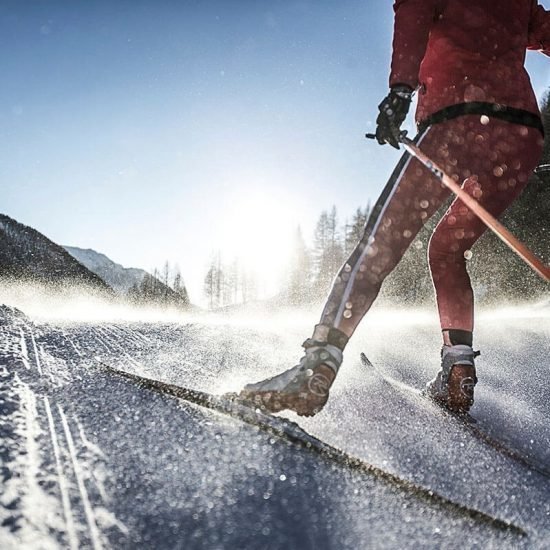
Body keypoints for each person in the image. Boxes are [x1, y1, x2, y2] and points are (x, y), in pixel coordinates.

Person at [238, 0, 549, 416]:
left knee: (377, 247)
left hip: (458, 119)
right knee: (447, 249)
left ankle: (316, 367)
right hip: (520, 138)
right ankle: (458, 368)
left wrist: (400, 91)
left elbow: (414, 13)